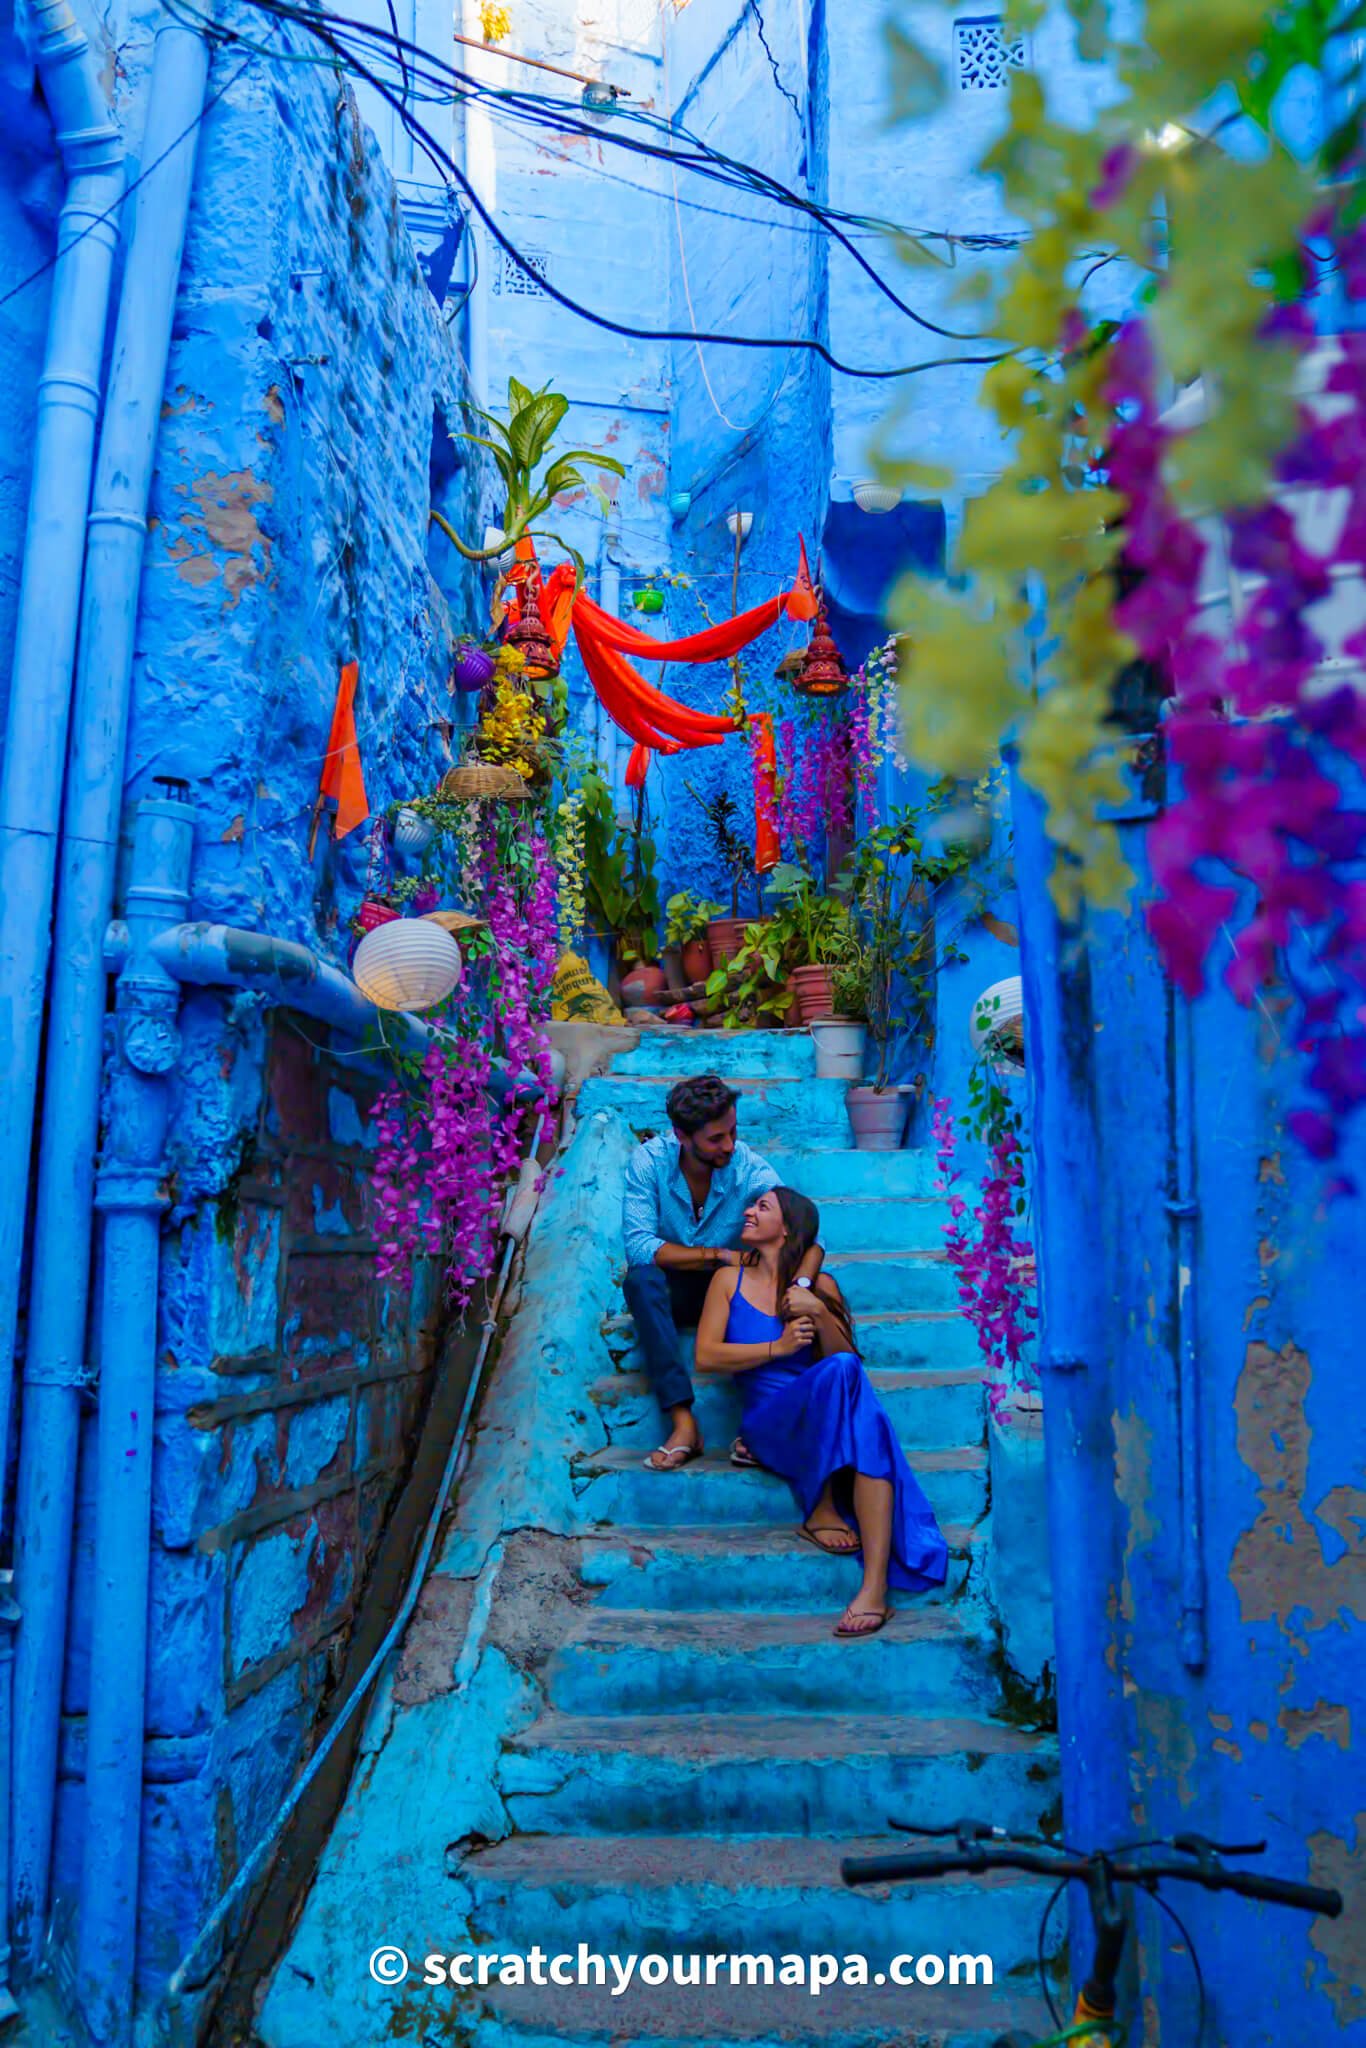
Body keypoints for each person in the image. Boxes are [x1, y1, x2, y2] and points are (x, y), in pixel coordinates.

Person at [693, 1185, 949, 1638]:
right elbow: (706, 1356)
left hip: (821, 1423)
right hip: (767, 1424)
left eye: (762, 1207)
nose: (748, 1212)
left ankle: (873, 1587)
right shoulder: (727, 1281)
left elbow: (846, 1363)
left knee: (859, 1403)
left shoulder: (821, 1286)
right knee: (859, 1406)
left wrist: (818, 1310)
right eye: (752, 1205)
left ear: (787, 1227)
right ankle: (822, 1508)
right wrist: (778, 1347)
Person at [621, 1073, 824, 1472]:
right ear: (681, 1135)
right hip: (681, 1289)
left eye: (733, 1131)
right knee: (640, 1281)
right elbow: (641, 1246)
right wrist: (718, 1254)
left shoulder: (747, 1166)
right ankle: (683, 1424)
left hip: (733, 1292)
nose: (729, 1145)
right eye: (716, 1139)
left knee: (782, 1289)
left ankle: (766, 1423)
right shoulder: (649, 1162)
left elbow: (808, 1236)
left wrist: (800, 1286)